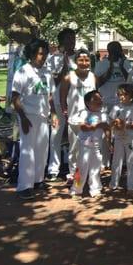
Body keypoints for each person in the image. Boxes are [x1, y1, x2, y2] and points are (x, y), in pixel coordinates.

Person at [11, 38, 56, 200]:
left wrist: (54, 113)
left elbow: (50, 96)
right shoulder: (23, 71)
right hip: (28, 116)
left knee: (42, 151)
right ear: (31, 54)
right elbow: (14, 97)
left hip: (43, 116)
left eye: (45, 54)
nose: (42, 57)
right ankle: (24, 186)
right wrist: (22, 117)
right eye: (39, 54)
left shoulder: (46, 72)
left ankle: (38, 180)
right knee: (27, 151)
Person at [58, 49, 97, 184]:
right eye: (81, 60)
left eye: (87, 60)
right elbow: (62, 97)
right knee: (74, 150)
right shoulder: (69, 77)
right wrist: (64, 110)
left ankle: (88, 177)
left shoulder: (92, 76)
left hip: (89, 119)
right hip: (74, 119)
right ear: (75, 62)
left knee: (89, 148)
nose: (84, 63)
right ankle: (74, 177)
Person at [45, 28, 77, 182]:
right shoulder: (53, 59)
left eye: (74, 38)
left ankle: (74, 168)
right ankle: (53, 169)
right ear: (62, 41)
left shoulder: (80, 57)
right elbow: (53, 82)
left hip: (76, 104)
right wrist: (64, 68)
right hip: (58, 103)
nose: (72, 41)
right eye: (69, 39)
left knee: (74, 137)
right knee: (56, 136)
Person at [95, 41, 132, 166]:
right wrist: (110, 67)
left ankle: (123, 161)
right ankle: (105, 162)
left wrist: (122, 67)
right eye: (113, 50)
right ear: (109, 51)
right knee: (106, 133)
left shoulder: (125, 63)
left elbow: (130, 81)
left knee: (122, 131)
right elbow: (98, 83)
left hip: (121, 104)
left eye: (118, 49)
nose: (116, 52)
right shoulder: (101, 64)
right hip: (105, 103)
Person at [68, 90, 110, 198]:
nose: (98, 101)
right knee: (81, 167)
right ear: (87, 102)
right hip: (84, 144)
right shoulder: (84, 113)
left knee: (95, 168)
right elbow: (83, 127)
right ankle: (76, 189)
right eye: (95, 99)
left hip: (97, 145)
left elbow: (106, 128)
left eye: (100, 99)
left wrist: (109, 142)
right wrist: (96, 126)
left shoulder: (103, 114)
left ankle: (95, 189)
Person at [109, 84, 133, 193]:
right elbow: (110, 123)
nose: (122, 97)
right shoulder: (116, 108)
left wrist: (125, 125)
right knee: (116, 161)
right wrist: (115, 124)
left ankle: (131, 186)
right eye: (120, 94)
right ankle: (114, 184)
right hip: (118, 138)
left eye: (125, 94)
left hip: (130, 138)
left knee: (131, 161)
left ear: (131, 95)